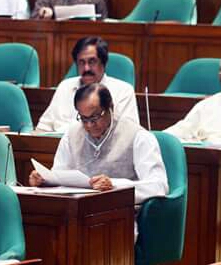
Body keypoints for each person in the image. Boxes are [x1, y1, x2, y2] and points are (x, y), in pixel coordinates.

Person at [29, 84, 168, 215]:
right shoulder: (71, 135)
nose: (89, 125)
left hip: (119, 216)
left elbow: (158, 185)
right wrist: (44, 180)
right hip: (77, 213)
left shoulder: (138, 136)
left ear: (110, 108)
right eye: (83, 118)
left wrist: (114, 186)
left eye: (95, 117)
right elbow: (59, 175)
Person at [37, 36, 139, 133]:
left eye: (92, 62)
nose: (86, 69)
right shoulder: (65, 87)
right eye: (81, 62)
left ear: (103, 63)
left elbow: (129, 134)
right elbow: (43, 128)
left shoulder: (123, 91)